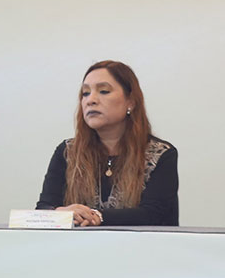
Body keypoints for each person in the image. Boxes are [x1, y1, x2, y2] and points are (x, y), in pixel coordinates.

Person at [36, 60, 178, 226]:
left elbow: (152, 214)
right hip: (76, 249)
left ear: (130, 102)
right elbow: (44, 209)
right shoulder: (67, 152)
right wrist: (60, 213)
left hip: (140, 249)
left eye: (103, 91)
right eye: (85, 93)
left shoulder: (160, 153)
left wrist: (96, 216)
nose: (91, 100)